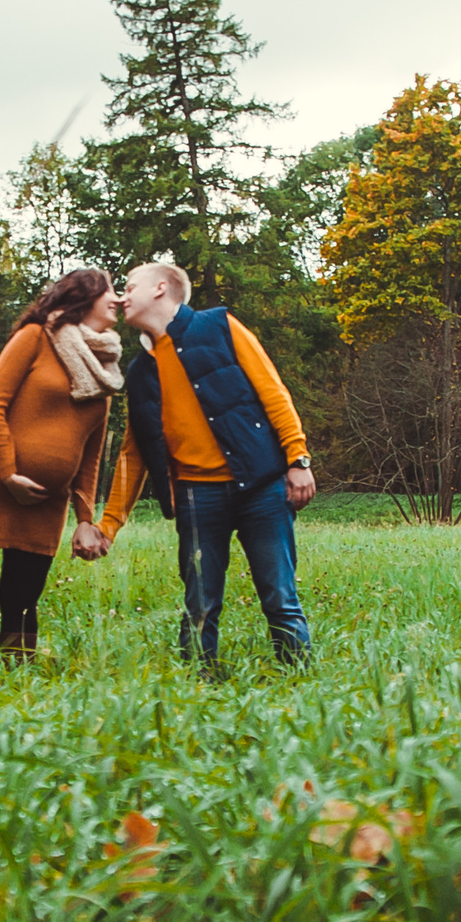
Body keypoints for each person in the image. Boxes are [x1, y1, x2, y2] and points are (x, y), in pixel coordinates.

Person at [76, 260, 315, 666]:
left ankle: (300, 680)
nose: (121, 296)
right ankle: (198, 689)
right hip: (195, 498)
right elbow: (134, 454)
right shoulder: (140, 372)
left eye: (130, 286)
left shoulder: (220, 326)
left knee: (280, 597)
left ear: (161, 288)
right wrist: (109, 525)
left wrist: (298, 458)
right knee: (200, 607)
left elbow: (273, 392)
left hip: (260, 485)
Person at [0, 267, 125, 658]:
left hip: (45, 506)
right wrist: (9, 474)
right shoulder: (35, 338)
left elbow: (91, 455)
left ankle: (17, 685)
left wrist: (86, 519)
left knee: (22, 599)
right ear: (84, 297)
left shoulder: (105, 372)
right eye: (111, 291)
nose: (119, 299)